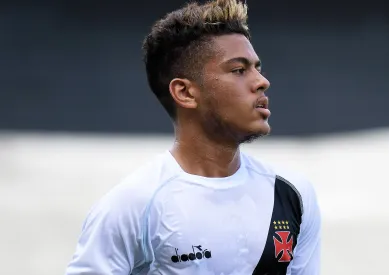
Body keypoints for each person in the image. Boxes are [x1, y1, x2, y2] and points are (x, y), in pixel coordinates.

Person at [65, 0, 321, 274]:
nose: (261, 81)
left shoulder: (292, 195)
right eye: (239, 70)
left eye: (257, 67)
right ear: (185, 93)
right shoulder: (132, 206)